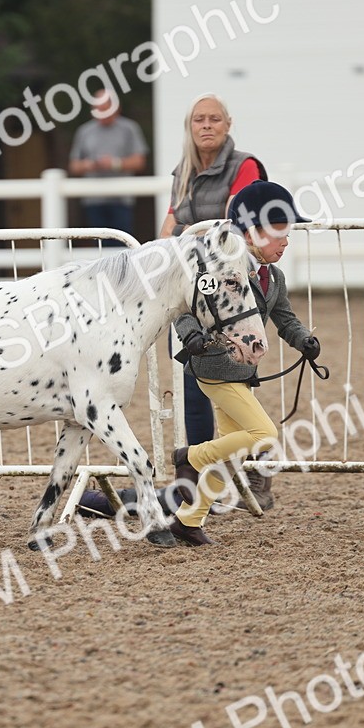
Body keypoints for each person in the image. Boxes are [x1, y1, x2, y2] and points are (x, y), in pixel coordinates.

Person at [169, 180, 322, 546]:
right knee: (264, 435)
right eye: (279, 232)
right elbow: (186, 305)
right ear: (252, 232)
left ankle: (188, 520)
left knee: (234, 449)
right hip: (213, 368)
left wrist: (304, 341)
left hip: (243, 372)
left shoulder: (274, 277)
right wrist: (189, 334)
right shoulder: (221, 268)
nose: (287, 241)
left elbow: (285, 318)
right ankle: (189, 456)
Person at [160, 93, 267, 490]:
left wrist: (192, 241)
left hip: (231, 287)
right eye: (199, 119)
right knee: (192, 372)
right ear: (190, 126)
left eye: (214, 119)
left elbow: (239, 225)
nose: (206, 125)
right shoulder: (182, 171)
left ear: (228, 124)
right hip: (190, 285)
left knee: (237, 372)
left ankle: (254, 465)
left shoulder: (245, 166)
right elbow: (169, 226)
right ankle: (196, 465)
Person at [68, 90, 149, 246]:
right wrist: (90, 165)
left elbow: (140, 161)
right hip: (94, 200)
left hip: (122, 199)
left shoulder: (129, 128)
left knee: (123, 246)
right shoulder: (84, 131)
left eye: (105, 108)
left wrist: (115, 164)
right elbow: (74, 165)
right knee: (99, 248)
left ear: (116, 108)